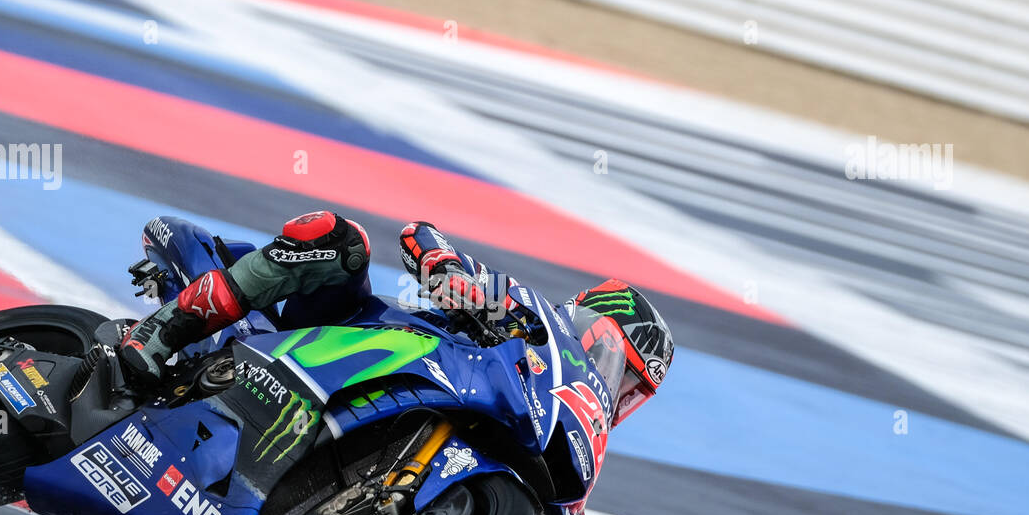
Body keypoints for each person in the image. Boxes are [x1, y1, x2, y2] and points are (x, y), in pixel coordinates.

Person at [120, 210, 672, 426]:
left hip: (371, 399)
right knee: (341, 240)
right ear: (594, 329)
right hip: (344, 335)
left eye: (629, 392)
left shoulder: (550, 417)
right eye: (618, 368)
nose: (613, 392)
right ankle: (159, 333)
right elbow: (419, 235)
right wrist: (446, 272)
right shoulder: (527, 311)